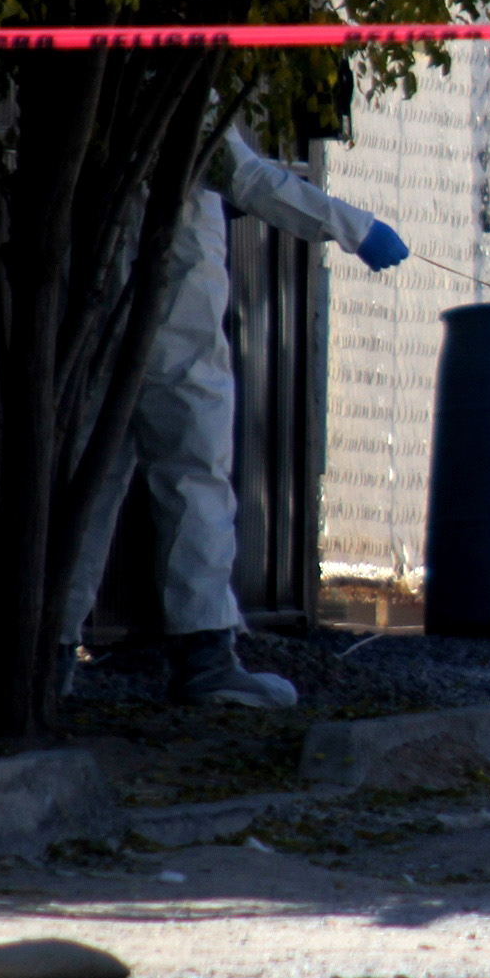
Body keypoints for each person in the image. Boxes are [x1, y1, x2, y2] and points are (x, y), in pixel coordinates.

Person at [59, 128, 408, 707]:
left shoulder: (98, 73)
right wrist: (356, 229)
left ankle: (44, 659)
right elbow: (246, 178)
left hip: (97, 311)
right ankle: (204, 657)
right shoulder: (179, 74)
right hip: (176, 315)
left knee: (84, 487)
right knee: (194, 479)